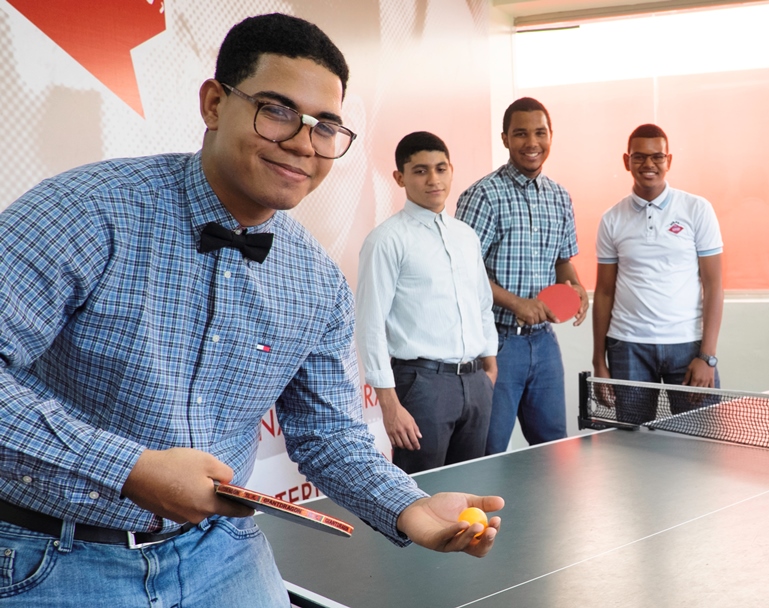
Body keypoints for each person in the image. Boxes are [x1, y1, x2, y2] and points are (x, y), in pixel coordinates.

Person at [0, 14, 500, 607]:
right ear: (214, 103)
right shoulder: (85, 211)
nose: (303, 144)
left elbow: (328, 435)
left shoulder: (317, 281)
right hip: (49, 557)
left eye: (325, 127)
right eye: (277, 110)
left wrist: (409, 507)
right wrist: (127, 468)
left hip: (223, 553)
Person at [356, 132, 497, 474]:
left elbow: (482, 304)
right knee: (420, 493)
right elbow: (370, 324)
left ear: (451, 170)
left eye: (440, 168)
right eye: (420, 171)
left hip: (475, 381)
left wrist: (489, 368)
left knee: (470, 488)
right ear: (399, 178)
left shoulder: (466, 236)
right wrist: (389, 405)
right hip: (422, 384)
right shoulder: (386, 240)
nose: (433, 179)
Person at [455, 97, 588, 454]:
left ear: (551, 135)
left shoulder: (560, 197)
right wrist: (517, 304)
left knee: (554, 450)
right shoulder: (482, 196)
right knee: (489, 451)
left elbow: (562, 261)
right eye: (521, 133)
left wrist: (576, 286)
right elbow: (462, 272)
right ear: (505, 138)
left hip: (544, 344)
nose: (532, 142)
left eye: (540, 133)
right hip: (496, 344)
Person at [591, 124, 724, 424]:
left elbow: (714, 285)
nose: (648, 164)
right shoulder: (611, 219)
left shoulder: (697, 209)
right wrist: (599, 361)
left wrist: (707, 356)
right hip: (628, 347)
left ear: (669, 160)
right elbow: (604, 292)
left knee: (701, 440)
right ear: (627, 161)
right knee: (633, 443)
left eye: (657, 157)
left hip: (688, 347)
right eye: (639, 157)